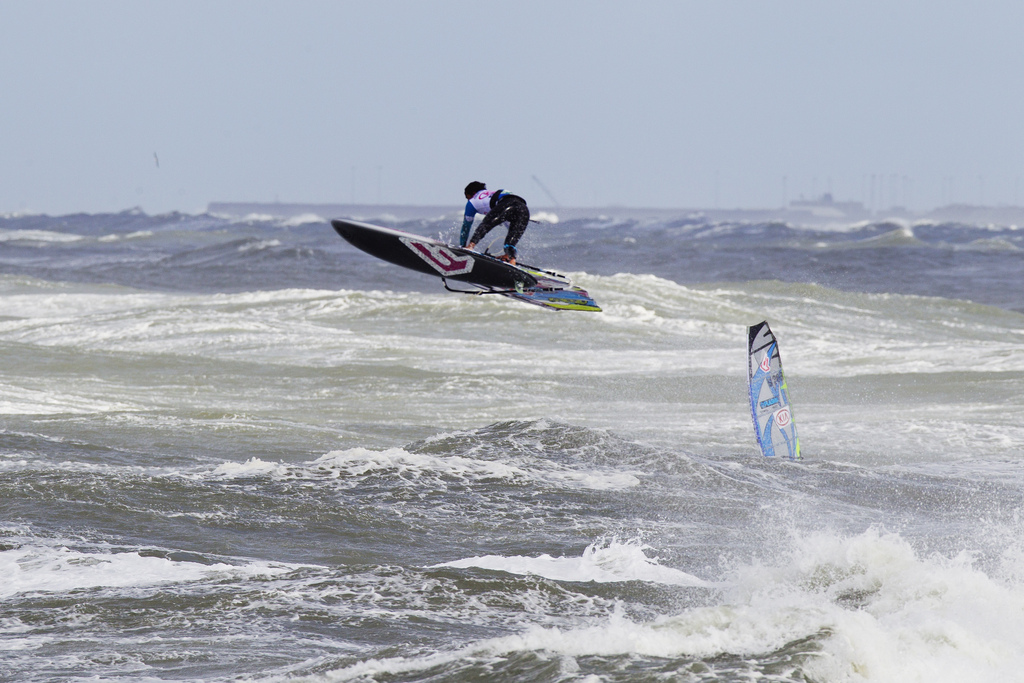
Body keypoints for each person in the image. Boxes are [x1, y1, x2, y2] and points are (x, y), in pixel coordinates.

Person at [459, 181, 530, 265]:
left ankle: (470, 247)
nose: (467, 200)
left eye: (467, 197)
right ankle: (511, 259)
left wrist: (462, 246)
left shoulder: (472, 202)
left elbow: (466, 226)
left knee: (485, 225)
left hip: (507, 204)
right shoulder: (492, 194)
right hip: (524, 210)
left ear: (473, 193)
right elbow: (510, 226)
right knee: (510, 243)